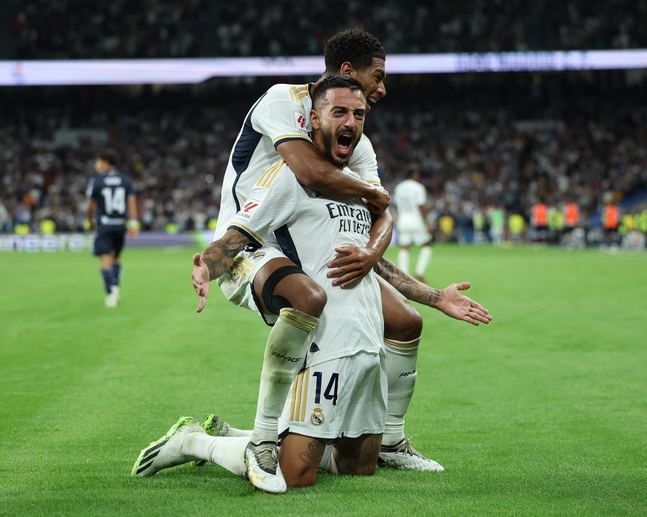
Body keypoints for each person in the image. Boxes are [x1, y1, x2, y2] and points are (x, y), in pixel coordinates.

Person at [131, 77, 492, 492]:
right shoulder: (288, 177)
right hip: (325, 351)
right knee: (296, 475)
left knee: (358, 467)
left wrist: (434, 297)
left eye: (359, 115)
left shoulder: (355, 182)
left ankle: (240, 435)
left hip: (368, 348)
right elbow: (240, 236)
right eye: (340, 112)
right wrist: (206, 268)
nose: (352, 122)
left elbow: (374, 263)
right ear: (314, 117)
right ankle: (195, 441)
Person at [85, 149, 139, 308]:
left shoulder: (98, 181)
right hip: (120, 224)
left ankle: (111, 292)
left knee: (105, 260)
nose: (96, 165)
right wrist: (133, 223)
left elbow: (90, 206)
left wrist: (89, 221)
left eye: (98, 161)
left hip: (104, 225)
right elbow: (131, 202)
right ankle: (115, 287)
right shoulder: (125, 179)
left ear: (105, 162)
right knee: (116, 258)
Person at [392, 167, 433, 282]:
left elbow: (396, 205)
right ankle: (419, 271)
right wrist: (427, 223)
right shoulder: (418, 187)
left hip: (402, 220)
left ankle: (404, 275)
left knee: (404, 247)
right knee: (427, 244)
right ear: (414, 175)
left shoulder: (399, 187)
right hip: (416, 220)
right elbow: (421, 206)